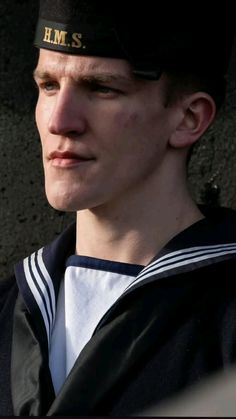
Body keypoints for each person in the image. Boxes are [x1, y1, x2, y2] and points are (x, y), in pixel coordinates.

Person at [0, 0, 236, 416]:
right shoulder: (8, 310)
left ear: (188, 118)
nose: (60, 120)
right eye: (48, 85)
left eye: (101, 88)